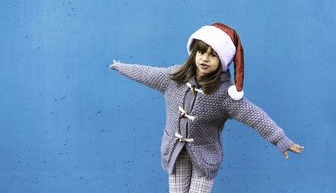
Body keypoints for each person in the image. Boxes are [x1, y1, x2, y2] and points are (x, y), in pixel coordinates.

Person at [109, 22, 303, 193]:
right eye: (202, 52)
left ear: (223, 62)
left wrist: (280, 139)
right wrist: (122, 66)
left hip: (205, 157)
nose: (205, 58)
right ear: (194, 53)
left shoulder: (225, 96)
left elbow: (254, 116)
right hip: (175, 152)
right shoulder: (173, 79)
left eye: (213, 55)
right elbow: (147, 73)